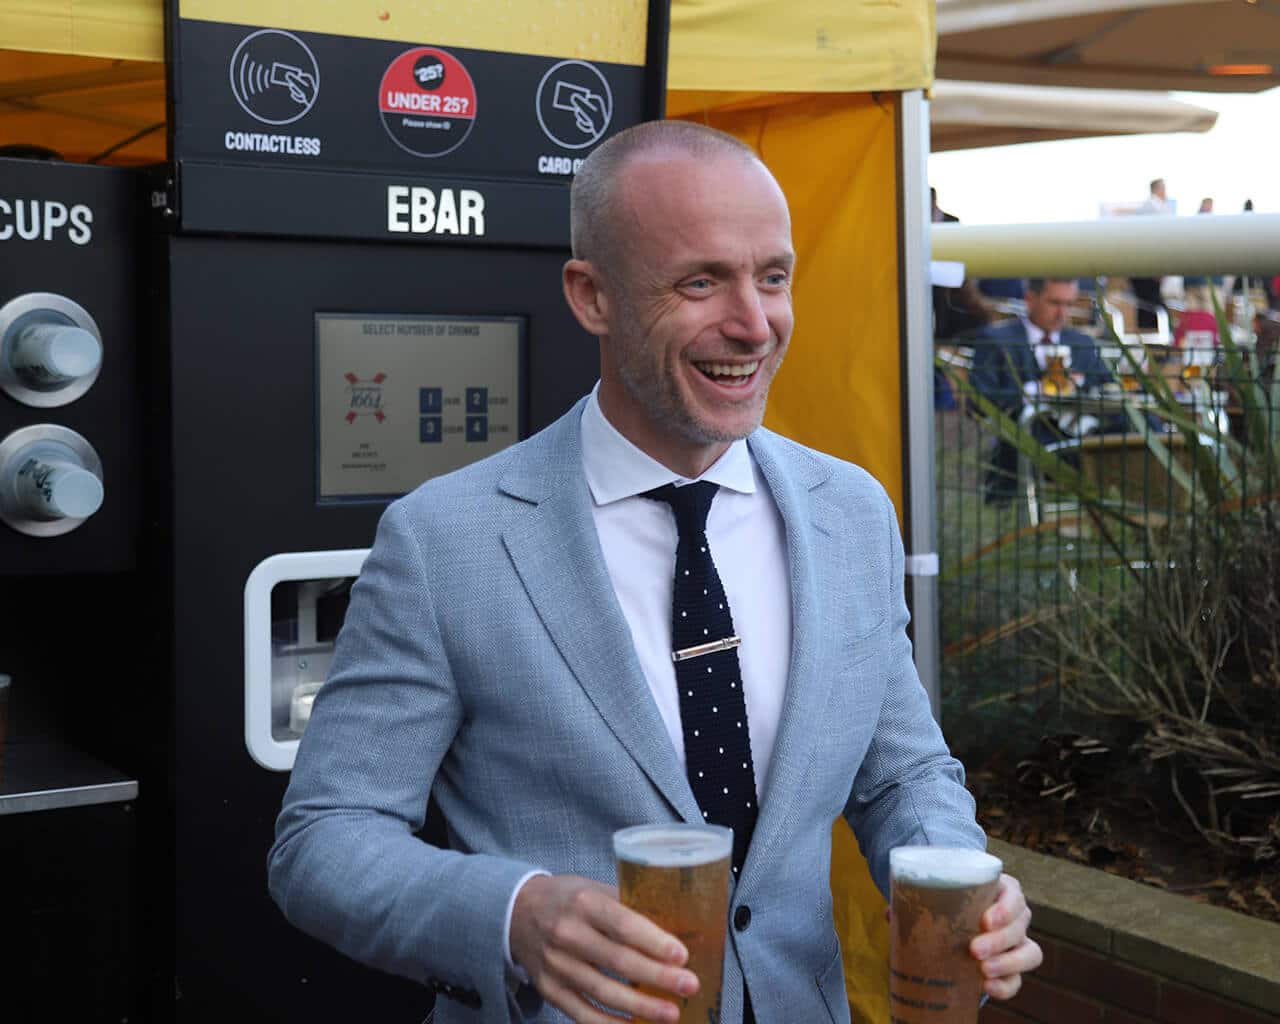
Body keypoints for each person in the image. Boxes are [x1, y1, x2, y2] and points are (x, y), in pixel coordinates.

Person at [268, 121, 1042, 1024]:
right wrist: (514, 915)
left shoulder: (851, 512)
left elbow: (901, 774)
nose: (754, 324)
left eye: (774, 277)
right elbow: (324, 841)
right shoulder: (447, 541)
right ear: (592, 296)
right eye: (700, 282)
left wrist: (959, 871)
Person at [969, 278, 1115, 505]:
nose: (1062, 313)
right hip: (1028, 434)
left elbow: (1107, 386)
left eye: (1068, 304)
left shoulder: (1082, 343)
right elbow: (979, 400)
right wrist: (1035, 391)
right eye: (1054, 302)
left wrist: (1078, 387)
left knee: (1132, 425)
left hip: (1084, 428)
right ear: (1030, 299)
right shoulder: (996, 340)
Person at [1132, 178, 1173, 330]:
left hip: (1140, 268)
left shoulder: (1145, 209)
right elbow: (1157, 241)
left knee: (1146, 308)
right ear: (1159, 189)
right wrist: (1159, 267)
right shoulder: (1156, 210)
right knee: (1152, 308)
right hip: (1148, 269)